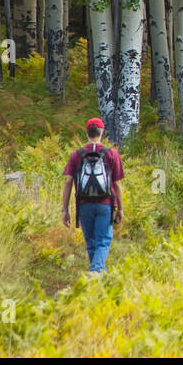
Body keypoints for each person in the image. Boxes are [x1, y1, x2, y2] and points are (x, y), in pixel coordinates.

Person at [61, 117, 125, 275]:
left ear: (87, 133)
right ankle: (96, 272)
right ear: (102, 132)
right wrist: (120, 209)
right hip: (106, 204)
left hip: (84, 205)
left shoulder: (77, 155)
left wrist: (64, 210)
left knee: (91, 242)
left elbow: (68, 182)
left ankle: (98, 276)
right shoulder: (111, 154)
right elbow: (117, 184)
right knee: (103, 241)